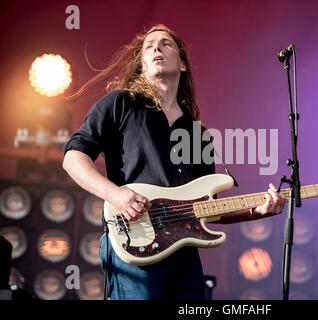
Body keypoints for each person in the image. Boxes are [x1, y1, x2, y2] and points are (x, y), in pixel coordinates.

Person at [62, 24, 286, 300]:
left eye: (166, 44)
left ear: (182, 64)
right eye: (149, 46)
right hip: (136, 243)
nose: (156, 47)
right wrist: (115, 195)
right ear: (141, 65)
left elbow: (207, 208)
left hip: (184, 256)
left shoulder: (197, 133)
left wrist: (256, 212)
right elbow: (73, 158)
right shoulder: (120, 104)